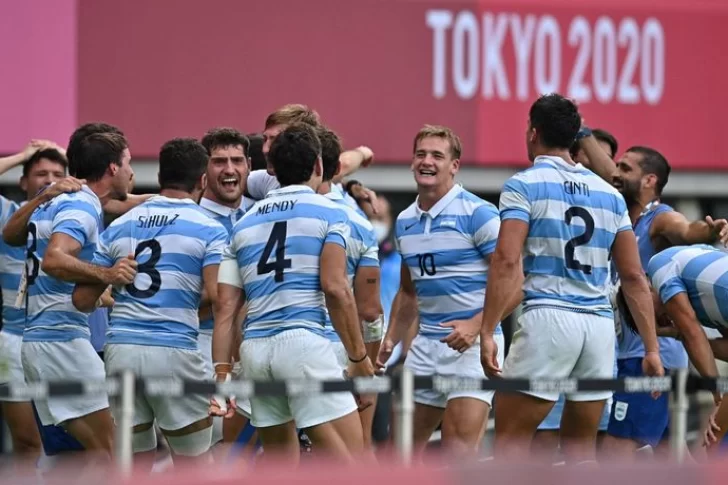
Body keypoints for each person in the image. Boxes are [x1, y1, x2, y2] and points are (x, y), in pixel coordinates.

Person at [480, 94, 663, 464]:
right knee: (581, 455)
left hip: (548, 317)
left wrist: (486, 330)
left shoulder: (524, 184)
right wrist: (652, 348)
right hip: (597, 329)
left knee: (511, 446)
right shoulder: (610, 194)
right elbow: (633, 276)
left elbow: (506, 260)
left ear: (533, 133)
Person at [210, 123, 374, 466]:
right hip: (303, 346)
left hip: (255, 352)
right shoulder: (331, 212)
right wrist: (359, 360)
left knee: (281, 468)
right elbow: (336, 287)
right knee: (354, 463)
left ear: (271, 169)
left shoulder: (243, 223)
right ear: (317, 165)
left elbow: (224, 306)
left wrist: (222, 375)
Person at [73, 138, 228, 465]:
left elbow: (82, 299)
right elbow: (219, 298)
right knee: (195, 467)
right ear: (202, 180)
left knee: (135, 467)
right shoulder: (210, 229)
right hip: (175, 353)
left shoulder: (120, 225)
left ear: (160, 176)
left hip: (122, 353)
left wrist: (112, 277)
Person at [576, 127, 728, 459]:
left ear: (649, 181)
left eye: (626, 169)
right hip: (633, 353)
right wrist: (580, 128)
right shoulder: (618, 214)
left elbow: (687, 229)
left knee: (614, 454)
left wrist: (708, 229)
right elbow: (608, 171)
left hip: (650, 358)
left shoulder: (657, 219)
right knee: (668, 457)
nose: (617, 173)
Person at [376, 125, 506, 457]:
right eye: (421, 154)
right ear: (411, 163)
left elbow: (515, 282)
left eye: (437, 155)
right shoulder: (405, 221)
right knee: (400, 453)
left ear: (454, 166)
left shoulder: (478, 214)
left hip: (473, 347)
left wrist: (477, 325)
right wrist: (390, 338)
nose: (427, 161)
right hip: (425, 346)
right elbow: (408, 292)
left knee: (457, 453)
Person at [10, 131, 137, 458]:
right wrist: (108, 275)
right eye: (128, 163)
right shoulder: (81, 204)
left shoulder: (63, 200)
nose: (132, 172)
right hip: (61, 344)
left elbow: (13, 237)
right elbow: (55, 258)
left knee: (84, 459)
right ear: (112, 168)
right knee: (114, 454)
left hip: (44, 341)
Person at [533, 127, 620, 461]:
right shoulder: (545, 189)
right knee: (544, 434)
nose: (600, 163)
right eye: (588, 151)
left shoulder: (613, 200)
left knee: (592, 443)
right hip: (562, 321)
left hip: (602, 336)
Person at [316, 127, 383, 452]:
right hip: (340, 352)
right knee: (355, 452)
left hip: (273, 347)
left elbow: (356, 157)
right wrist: (365, 363)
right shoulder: (358, 224)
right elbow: (370, 312)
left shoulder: (263, 200)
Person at [0, 141, 68, 461]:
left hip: (61, 340)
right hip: (13, 340)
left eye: (58, 173)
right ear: (23, 182)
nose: (50, 179)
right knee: (28, 443)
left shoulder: (72, 222)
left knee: (71, 446)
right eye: (41, 173)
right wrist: (22, 156)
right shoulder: (7, 215)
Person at [196, 127, 254, 451]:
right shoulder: (192, 219)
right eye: (219, 161)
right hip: (202, 349)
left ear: (248, 165)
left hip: (255, 355)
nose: (229, 169)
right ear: (204, 170)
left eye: (236, 161)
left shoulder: (259, 216)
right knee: (210, 452)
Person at [245, 104, 378, 213]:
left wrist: (364, 152)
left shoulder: (334, 209)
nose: (265, 149)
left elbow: (345, 164)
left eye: (276, 140)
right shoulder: (266, 180)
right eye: (265, 139)